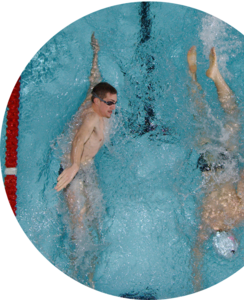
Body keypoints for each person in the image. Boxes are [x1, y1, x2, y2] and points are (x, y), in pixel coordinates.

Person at [54, 33, 117, 287]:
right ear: (97, 102)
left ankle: (87, 274)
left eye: (115, 102)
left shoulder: (96, 103)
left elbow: (95, 80)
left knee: (93, 217)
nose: (114, 107)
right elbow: (78, 141)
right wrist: (74, 166)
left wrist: (95, 55)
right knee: (79, 226)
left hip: (85, 167)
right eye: (110, 103)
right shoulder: (91, 117)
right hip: (73, 167)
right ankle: (75, 277)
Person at [187, 46, 244, 291]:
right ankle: (192, 76)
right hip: (206, 163)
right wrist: (196, 281)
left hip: (226, 161)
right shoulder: (206, 223)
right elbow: (196, 252)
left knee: (234, 116)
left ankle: (216, 76)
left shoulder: (241, 215)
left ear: (233, 237)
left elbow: (243, 178)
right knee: (199, 114)